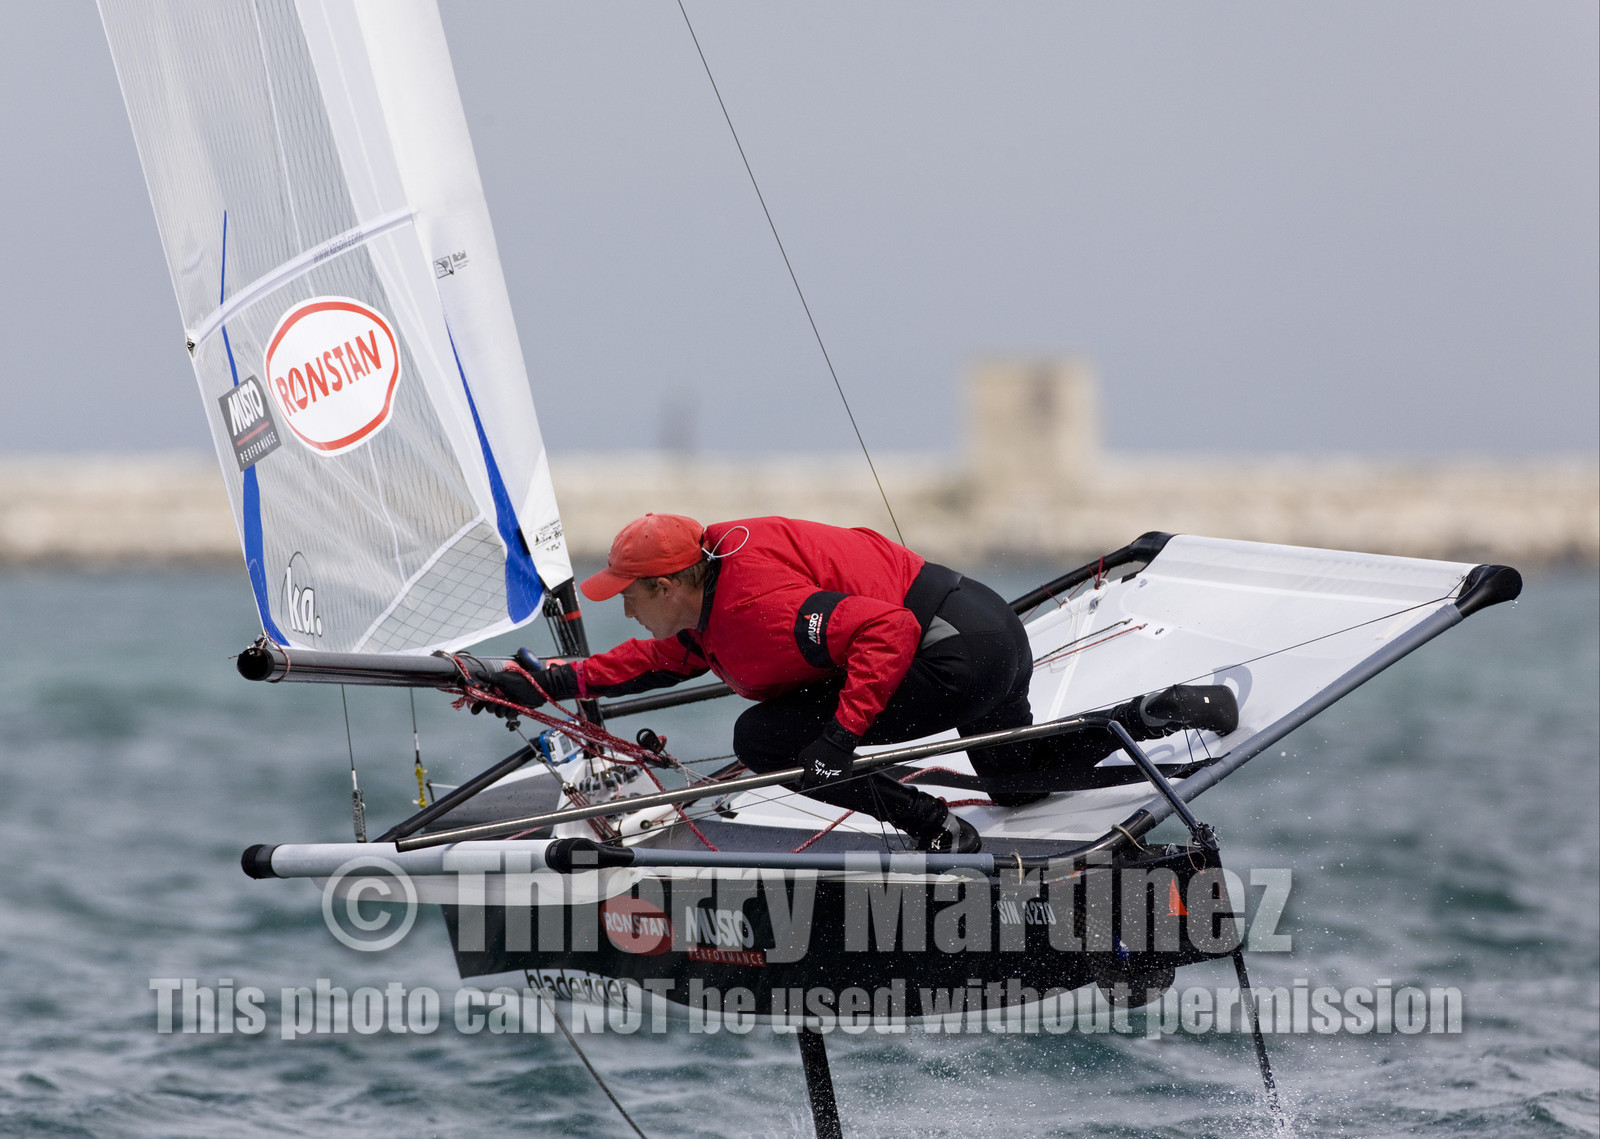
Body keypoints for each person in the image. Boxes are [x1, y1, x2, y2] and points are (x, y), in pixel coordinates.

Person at [496, 513, 1236, 853]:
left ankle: (929, 824)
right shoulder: (713, 578)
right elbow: (669, 656)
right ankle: (1145, 717)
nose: (621, 602)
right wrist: (559, 680)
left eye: (629, 591)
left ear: (668, 585)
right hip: (987, 629)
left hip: (951, 652)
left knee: (763, 737)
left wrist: (839, 743)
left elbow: (887, 633)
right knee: (1013, 783)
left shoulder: (755, 604)